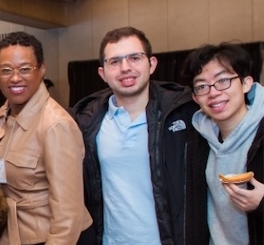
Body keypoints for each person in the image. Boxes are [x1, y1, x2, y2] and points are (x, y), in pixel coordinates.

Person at [71, 26, 204, 245]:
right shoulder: (85, 121)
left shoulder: (184, 113)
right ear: (102, 73)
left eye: (134, 57)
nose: (125, 68)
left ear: (151, 64)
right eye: (114, 61)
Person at [0, 31, 91, 244]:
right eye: (6, 70)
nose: (15, 78)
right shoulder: (3, 113)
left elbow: (68, 217)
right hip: (14, 235)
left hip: (50, 238)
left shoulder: (56, 125)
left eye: (25, 69)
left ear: (41, 69)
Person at [183, 42, 263, 245]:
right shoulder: (198, 140)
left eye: (223, 81)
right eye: (202, 86)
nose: (213, 92)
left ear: (246, 83)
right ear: (195, 97)